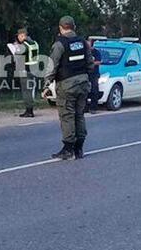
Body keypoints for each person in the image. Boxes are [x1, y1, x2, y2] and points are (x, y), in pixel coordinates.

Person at [43, 16, 94, 160]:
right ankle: (79, 149)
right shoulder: (83, 43)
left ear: (60, 28)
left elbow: (52, 66)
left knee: (67, 115)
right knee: (79, 114)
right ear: (74, 27)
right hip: (83, 83)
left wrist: (47, 85)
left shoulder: (60, 44)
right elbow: (90, 64)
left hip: (67, 85)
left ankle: (68, 149)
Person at [11, 27, 38, 118]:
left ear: (23, 35)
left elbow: (18, 55)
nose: (18, 38)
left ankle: (29, 111)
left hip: (26, 69)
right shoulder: (34, 43)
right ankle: (29, 110)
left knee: (26, 91)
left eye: (19, 36)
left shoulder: (24, 45)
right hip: (34, 69)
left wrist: (15, 48)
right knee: (30, 90)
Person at [88, 38, 102, 113]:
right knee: (84, 91)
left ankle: (93, 108)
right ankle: (85, 108)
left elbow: (99, 62)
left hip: (94, 74)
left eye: (88, 43)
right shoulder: (85, 52)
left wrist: (91, 63)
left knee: (94, 90)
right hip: (86, 74)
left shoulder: (96, 52)